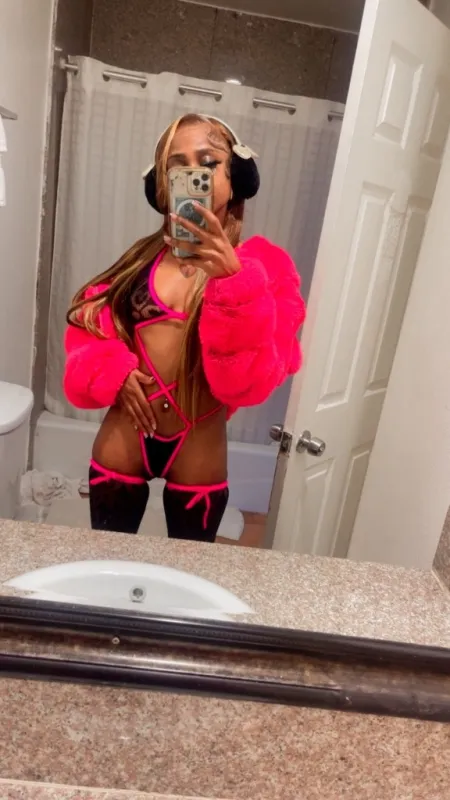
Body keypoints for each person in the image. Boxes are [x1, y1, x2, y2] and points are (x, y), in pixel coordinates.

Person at [64, 113, 306, 542]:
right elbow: (87, 327)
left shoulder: (267, 269)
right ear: (162, 186)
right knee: (106, 563)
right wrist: (112, 370)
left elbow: (247, 387)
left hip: (199, 451)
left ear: (235, 177)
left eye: (209, 163)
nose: (196, 174)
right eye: (179, 167)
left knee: (188, 571)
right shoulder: (136, 263)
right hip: (123, 440)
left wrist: (235, 284)